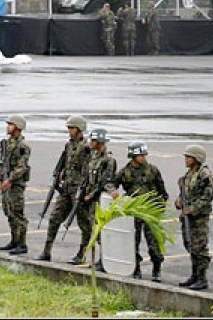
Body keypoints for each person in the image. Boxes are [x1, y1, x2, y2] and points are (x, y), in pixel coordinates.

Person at [109, 141, 168, 282]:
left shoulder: (152, 170)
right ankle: (136, 268)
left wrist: (159, 207)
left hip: (150, 211)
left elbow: (162, 191)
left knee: (154, 242)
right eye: (140, 155)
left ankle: (157, 268)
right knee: (132, 242)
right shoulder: (125, 171)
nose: (143, 158)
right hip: (134, 211)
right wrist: (113, 191)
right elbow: (110, 183)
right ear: (133, 156)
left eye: (144, 155)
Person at [35, 115, 91, 262]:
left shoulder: (86, 148)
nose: (69, 131)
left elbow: (88, 171)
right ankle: (47, 251)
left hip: (78, 190)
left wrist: (84, 189)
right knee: (54, 219)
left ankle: (82, 254)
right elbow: (64, 162)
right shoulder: (69, 145)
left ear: (79, 129)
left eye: (72, 128)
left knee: (84, 224)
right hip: (66, 189)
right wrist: (61, 173)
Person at [73, 127, 117, 269]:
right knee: (88, 227)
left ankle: (104, 260)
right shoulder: (93, 156)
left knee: (99, 231)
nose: (90, 143)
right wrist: (81, 190)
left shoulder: (108, 160)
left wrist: (91, 195)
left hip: (98, 199)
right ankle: (85, 255)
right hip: (88, 197)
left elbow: (104, 181)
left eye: (93, 140)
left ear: (100, 141)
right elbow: (86, 176)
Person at [175, 144, 213, 291]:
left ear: (196, 158)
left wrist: (192, 209)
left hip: (199, 217)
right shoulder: (188, 175)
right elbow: (185, 193)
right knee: (190, 245)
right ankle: (194, 274)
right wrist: (179, 201)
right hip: (188, 217)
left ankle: (202, 277)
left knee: (200, 247)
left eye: (188, 157)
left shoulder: (205, 174)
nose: (186, 160)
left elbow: (208, 196)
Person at [0, 114, 31, 255]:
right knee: (8, 211)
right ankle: (14, 240)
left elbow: (22, 167)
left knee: (18, 213)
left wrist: (10, 180)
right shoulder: (7, 143)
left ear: (18, 127)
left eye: (10, 124)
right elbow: (2, 161)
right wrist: (0, 173)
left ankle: (22, 243)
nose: (8, 127)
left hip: (15, 184)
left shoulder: (23, 146)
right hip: (5, 181)